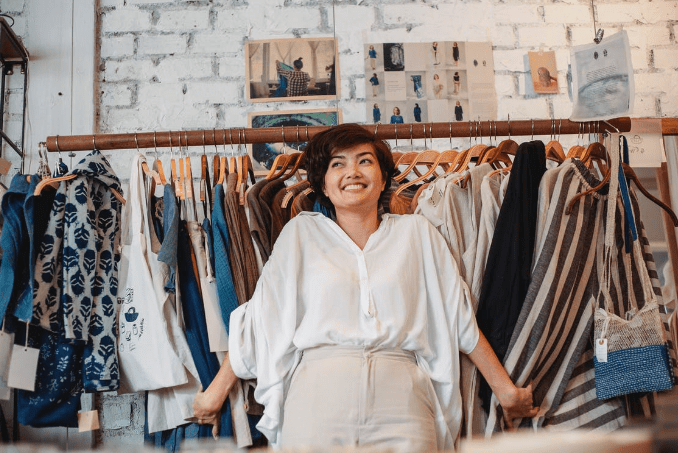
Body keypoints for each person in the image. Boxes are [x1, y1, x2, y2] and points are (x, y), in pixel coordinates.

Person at [193, 123, 538, 452]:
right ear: (323, 185)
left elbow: (459, 318)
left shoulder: (416, 233)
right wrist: (214, 394)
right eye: (337, 164)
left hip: (402, 399)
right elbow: (261, 318)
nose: (353, 172)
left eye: (365, 161)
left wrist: (505, 390)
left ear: (384, 176)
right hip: (318, 401)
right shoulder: (301, 235)